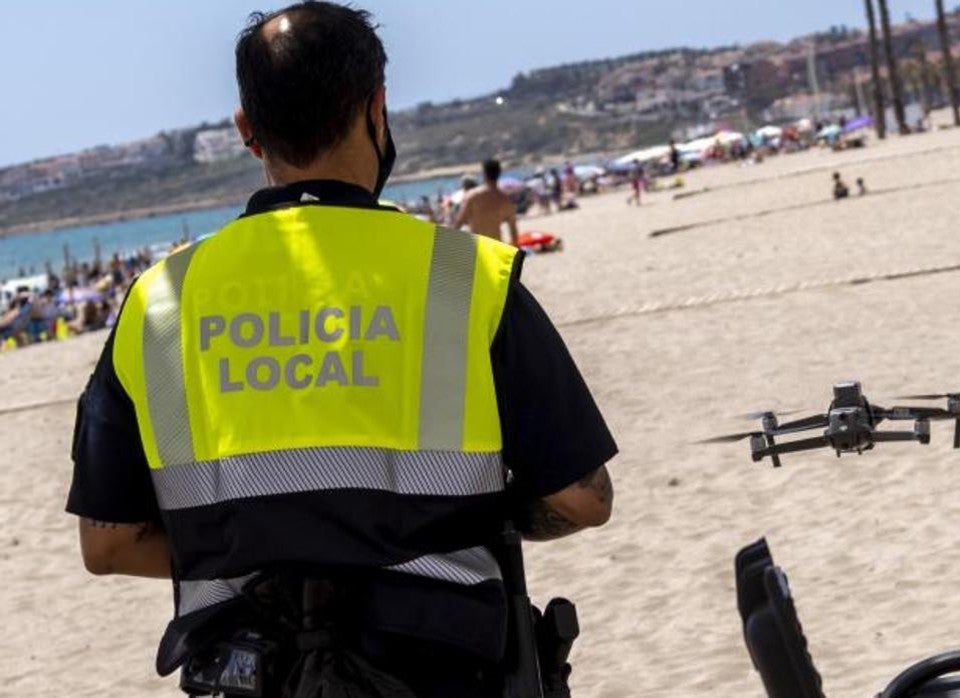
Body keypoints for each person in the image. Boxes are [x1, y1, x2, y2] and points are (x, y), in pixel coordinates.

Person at [65, 4, 616, 696]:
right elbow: (584, 497)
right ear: (377, 109)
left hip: (245, 673)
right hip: (438, 669)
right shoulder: (464, 276)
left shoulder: (159, 300)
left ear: (246, 130)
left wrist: (259, 545)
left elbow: (107, 542)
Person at [454, 159, 520, 244]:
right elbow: (513, 230)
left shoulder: (472, 196)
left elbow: (459, 222)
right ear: (499, 174)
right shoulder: (505, 199)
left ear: (484, 174)